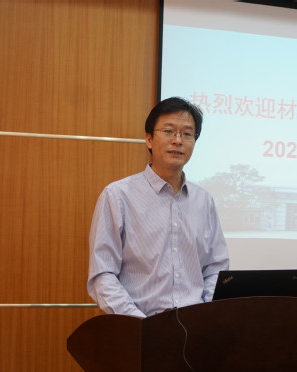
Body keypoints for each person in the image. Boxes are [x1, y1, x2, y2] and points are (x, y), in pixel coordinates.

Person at [87, 97, 229, 318]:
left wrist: (204, 314)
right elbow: (103, 274)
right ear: (149, 139)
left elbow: (215, 269)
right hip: (139, 328)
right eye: (169, 131)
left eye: (187, 134)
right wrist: (141, 324)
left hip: (196, 328)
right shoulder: (118, 196)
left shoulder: (204, 201)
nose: (178, 140)